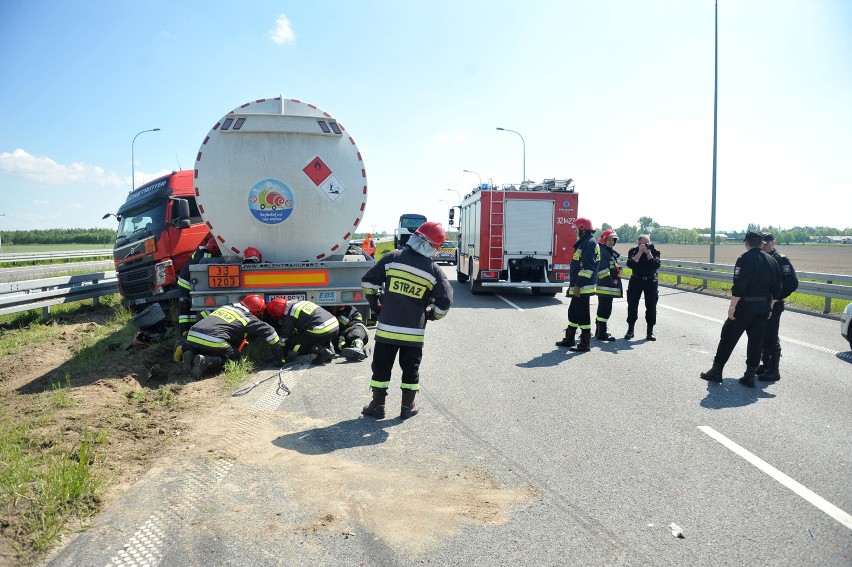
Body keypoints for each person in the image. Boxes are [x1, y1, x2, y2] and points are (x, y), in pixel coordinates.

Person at [360, 221, 453, 420]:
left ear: (415, 237)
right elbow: (445, 302)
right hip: (414, 334)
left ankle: (377, 405)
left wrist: (374, 304)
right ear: (435, 248)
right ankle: (407, 406)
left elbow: (369, 282)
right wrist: (430, 315)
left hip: (386, 330)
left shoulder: (392, 258)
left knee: (381, 368)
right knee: (410, 370)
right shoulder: (434, 271)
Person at [700, 231, 782, 387]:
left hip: (745, 306)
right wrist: (770, 306)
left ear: (747, 243)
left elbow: (739, 285)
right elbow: (777, 287)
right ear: (761, 243)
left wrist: (732, 306)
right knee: (756, 343)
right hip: (763, 307)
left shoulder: (744, 259)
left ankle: (716, 372)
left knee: (728, 337)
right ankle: (750, 376)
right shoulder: (772, 261)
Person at [173, 294, 283, 379]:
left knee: (206, 346)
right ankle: (205, 361)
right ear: (257, 312)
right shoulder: (248, 317)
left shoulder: (225, 308)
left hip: (193, 335)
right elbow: (271, 333)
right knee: (234, 357)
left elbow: (202, 314)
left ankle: (188, 352)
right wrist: (279, 358)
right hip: (214, 340)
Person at [756, 232, 799, 381]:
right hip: (761, 303)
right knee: (761, 334)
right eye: (763, 242)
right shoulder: (760, 258)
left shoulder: (780, 259)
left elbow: (792, 282)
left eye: (767, 242)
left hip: (774, 304)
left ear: (773, 242)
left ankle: (774, 370)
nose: (765, 245)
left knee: (771, 336)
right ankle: (766, 364)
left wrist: (776, 298)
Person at [555, 217, 599, 351]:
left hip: (582, 286)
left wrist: (578, 285)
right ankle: (570, 339)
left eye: (577, 229)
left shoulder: (588, 244)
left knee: (582, 313)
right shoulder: (585, 242)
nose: (575, 232)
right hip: (579, 285)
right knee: (573, 312)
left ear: (582, 229)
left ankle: (585, 342)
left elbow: (588, 268)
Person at [268, 298, 339, 364]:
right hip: (335, 326)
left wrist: (281, 358)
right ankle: (330, 351)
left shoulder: (288, 316)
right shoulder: (302, 302)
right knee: (311, 332)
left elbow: (284, 339)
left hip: (321, 330)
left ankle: (322, 352)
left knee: (290, 343)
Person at [177, 236, 221, 336]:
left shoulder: (201, 250)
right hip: (186, 281)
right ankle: (184, 331)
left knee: (191, 305)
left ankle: (191, 328)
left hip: (193, 280)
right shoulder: (203, 255)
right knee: (185, 304)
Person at [624, 235, 661, 340]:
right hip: (636, 280)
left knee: (651, 307)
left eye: (648, 242)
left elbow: (656, 265)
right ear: (638, 244)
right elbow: (630, 264)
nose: (646, 245)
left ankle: (650, 332)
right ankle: (630, 330)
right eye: (643, 243)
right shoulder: (633, 251)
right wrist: (640, 252)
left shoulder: (655, 252)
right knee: (632, 306)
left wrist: (648, 253)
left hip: (650, 281)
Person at [594, 229, 623, 341]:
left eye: (613, 240)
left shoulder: (608, 251)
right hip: (606, 286)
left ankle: (599, 331)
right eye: (609, 239)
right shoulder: (603, 252)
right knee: (605, 310)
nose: (611, 242)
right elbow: (602, 271)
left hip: (606, 287)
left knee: (603, 309)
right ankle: (602, 333)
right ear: (604, 240)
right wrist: (612, 282)